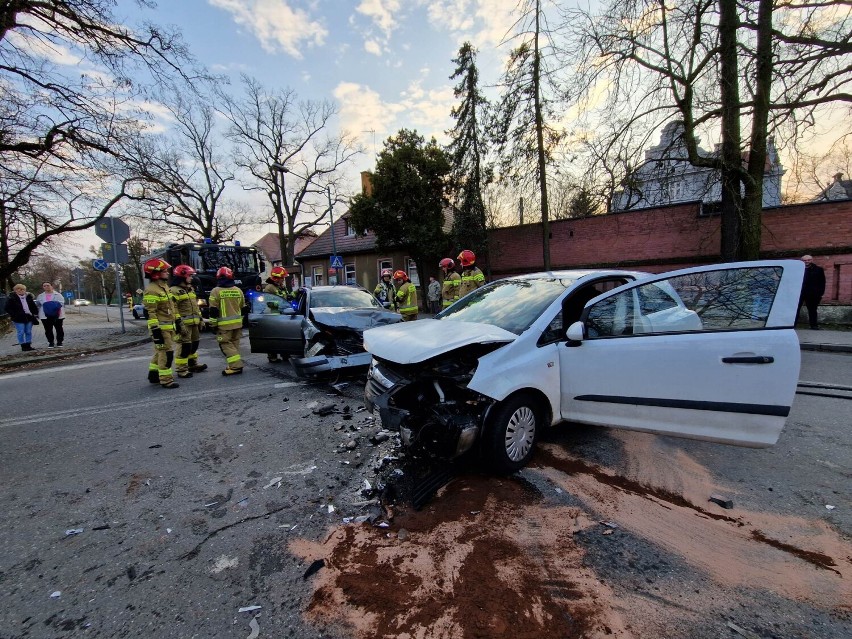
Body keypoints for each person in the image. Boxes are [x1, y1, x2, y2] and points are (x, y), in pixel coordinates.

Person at [142, 258, 180, 389]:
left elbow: (171, 306)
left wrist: (177, 321)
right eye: (165, 271)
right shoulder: (152, 290)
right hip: (161, 328)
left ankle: (154, 375)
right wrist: (155, 330)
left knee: (160, 352)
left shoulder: (164, 287)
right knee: (166, 353)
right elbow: (150, 312)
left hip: (168, 326)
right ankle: (166, 379)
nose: (168, 273)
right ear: (156, 273)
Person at [169, 264, 208, 378]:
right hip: (184, 325)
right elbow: (173, 309)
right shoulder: (174, 291)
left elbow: (195, 307)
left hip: (194, 323)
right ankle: (181, 370)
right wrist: (179, 324)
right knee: (184, 347)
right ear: (182, 276)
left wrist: (200, 320)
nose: (192, 278)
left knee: (194, 344)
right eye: (190, 276)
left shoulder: (190, 289)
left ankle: (192, 364)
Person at [209, 266, 245, 376]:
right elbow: (243, 307)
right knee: (234, 345)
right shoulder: (238, 290)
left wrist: (213, 325)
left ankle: (236, 367)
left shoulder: (215, 291)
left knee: (226, 345)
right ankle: (233, 365)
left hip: (224, 326)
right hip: (237, 324)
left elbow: (213, 311)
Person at [263, 266, 292, 362]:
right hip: (273, 315)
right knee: (273, 336)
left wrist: (296, 293)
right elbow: (269, 302)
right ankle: (272, 356)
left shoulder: (281, 286)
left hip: (283, 314)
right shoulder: (269, 288)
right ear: (276, 278)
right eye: (282, 278)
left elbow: (287, 297)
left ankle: (285, 354)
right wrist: (281, 304)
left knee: (285, 336)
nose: (283, 280)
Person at [7, 283, 39, 351]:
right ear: (15, 290)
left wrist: (35, 314)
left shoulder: (29, 297)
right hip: (18, 318)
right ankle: (23, 346)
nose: (20, 290)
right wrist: (14, 315)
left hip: (29, 317)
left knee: (28, 331)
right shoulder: (12, 298)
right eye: (18, 289)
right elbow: (7, 308)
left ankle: (28, 345)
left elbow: (34, 306)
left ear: (25, 290)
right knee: (21, 332)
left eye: (22, 289)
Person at [798, 254, 826, 330]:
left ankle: (814, 325)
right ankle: (792, 325)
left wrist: (820, 293)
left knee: (813, 310)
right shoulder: (797, 269)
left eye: (808, 260)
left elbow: (822, 282)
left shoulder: (819, 269)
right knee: (796, 309)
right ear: (801, 261)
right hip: (799, 293)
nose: (807, 261)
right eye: (804, 260)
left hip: (813, 294)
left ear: (812, 260)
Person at [36, 282, 65, 348]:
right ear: (43, 287)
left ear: (51, 286)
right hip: (45, 316)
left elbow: (61, 303)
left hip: (57, 315)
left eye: (48, 285)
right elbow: (38, 304)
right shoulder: (40, 296)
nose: (46, 287)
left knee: (59, 329)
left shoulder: (58, 295)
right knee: (48, 329)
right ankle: (51, 342)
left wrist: (52, 305)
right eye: (44, 286)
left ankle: (59, 342)